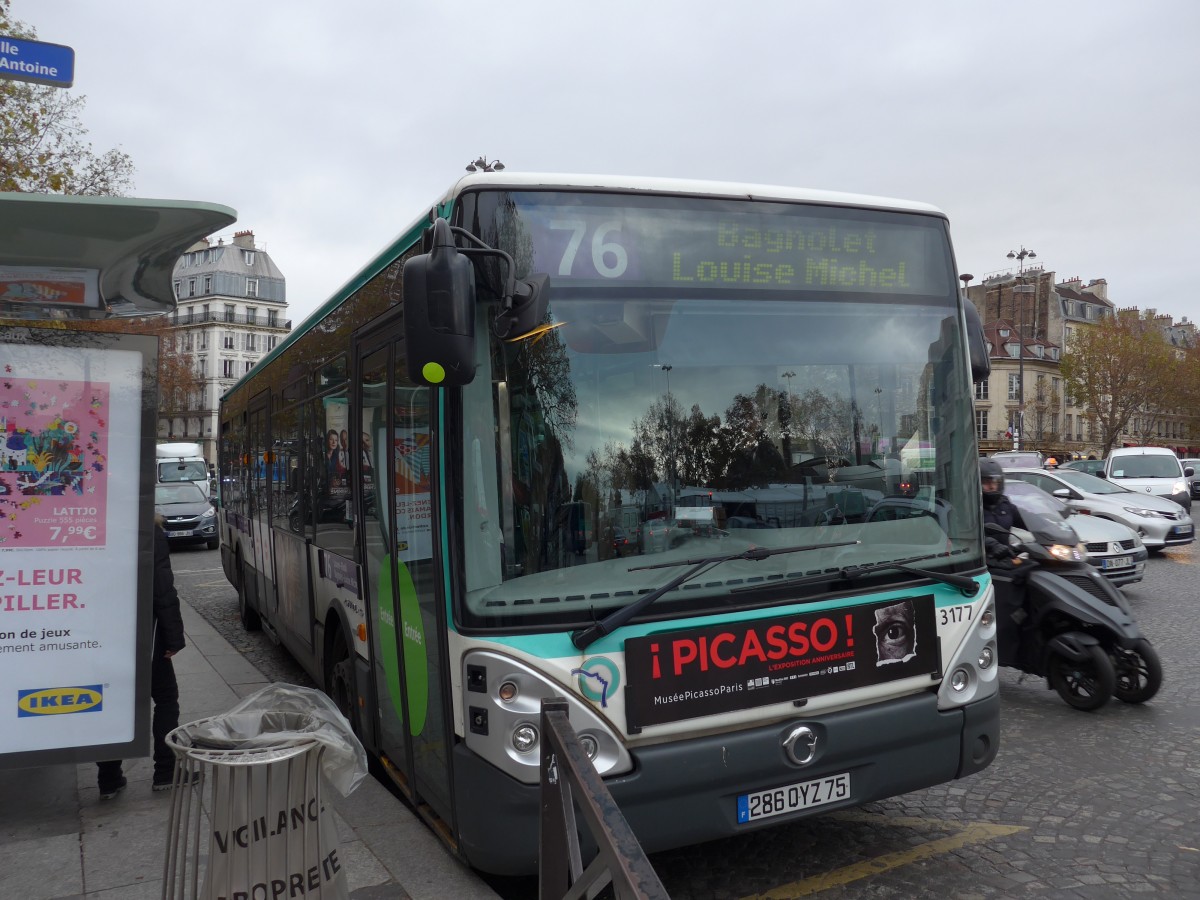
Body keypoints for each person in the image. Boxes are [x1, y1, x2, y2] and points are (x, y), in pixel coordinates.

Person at [97, 518, 189, 799]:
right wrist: (173, 637)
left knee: (111, 701)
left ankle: (109, 779)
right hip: (144, 632)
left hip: (101, 631)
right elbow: (162, 588)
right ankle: (166, 772)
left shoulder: (93, 526)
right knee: (165, 698)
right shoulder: (148, 530)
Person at [981, 458, 1029, 665]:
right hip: (985, 563)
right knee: (1004, 601)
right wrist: (991, 545)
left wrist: (1048, 528)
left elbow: (1026, 520)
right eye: (986, 482)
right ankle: (1001, 643)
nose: (992, 486)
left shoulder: (1005, 504)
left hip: (1005, 559)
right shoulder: (973, 506)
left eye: (995, 482)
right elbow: (972, 532)